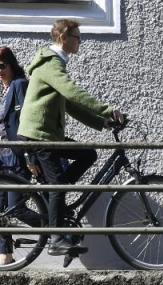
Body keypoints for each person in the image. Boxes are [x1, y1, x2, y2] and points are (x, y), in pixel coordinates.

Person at [18, 19, 125, 256]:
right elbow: (73, 92)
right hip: (39, 135)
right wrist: (108, 110)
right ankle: (56, 239)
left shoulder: (56, 63)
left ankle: (55, 197)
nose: (80, 41)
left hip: (48, 134)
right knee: (58, 185)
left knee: (87, 154)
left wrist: (101, 122)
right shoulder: (50, 63)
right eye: (76, 37)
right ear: (62, 38)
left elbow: (68, 104)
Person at [0, 46, 37, 266]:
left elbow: (28, 123)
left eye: (2, 66)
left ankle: (56, 228)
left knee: (17, 208)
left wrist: (30, 157)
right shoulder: (0, 91)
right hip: (0, 160)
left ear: (12, 65)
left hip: (17, 157)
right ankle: (5, 254)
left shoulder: (19, 85)